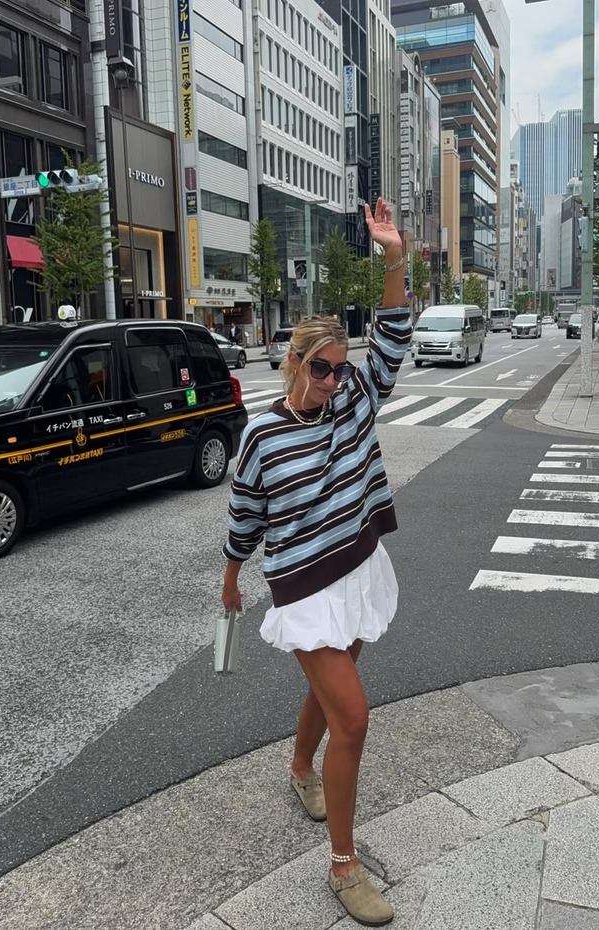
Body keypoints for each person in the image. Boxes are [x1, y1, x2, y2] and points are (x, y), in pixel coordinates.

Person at [221, 197, 409, 926]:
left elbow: (391, 338)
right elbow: (246, 516)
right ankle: (343, 865)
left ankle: (302, 767)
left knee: (335, 696)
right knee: (353, 718)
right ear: (294, 363)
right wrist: (232, 579)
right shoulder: (262, 436)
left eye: (340, 368)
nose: (334, 380)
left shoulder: (355, 396)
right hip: (303, 587)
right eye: (322, 369)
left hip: (357, 567)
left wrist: (393, 258)